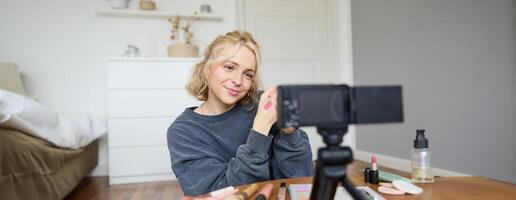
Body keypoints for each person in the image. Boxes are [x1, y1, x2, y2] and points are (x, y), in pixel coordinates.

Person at [167, 30, 313, 196]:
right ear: (207, 69)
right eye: (229, 67)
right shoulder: (183, 132)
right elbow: (218, 194)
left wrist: (290, 133)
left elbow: (302, 176)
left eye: (248, 74)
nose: (238, 81)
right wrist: (259, 130)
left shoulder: (264, 105)